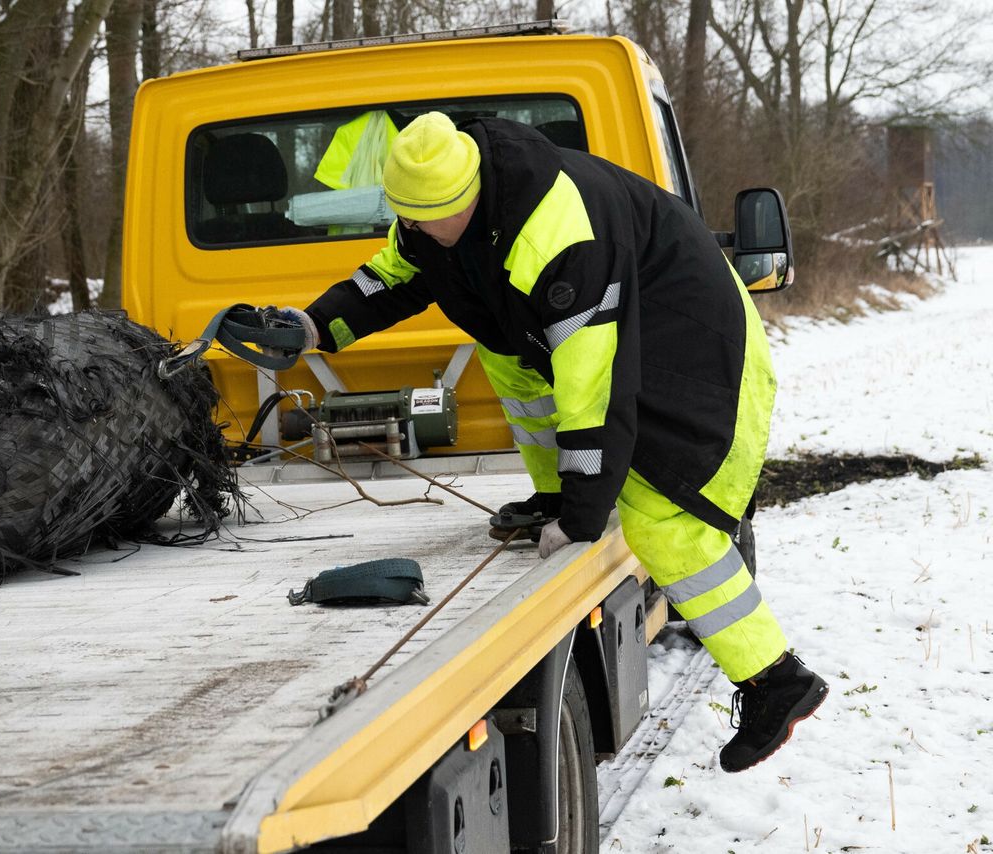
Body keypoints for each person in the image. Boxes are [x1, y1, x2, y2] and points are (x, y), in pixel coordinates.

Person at [275, 111, 827, 773]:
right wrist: (310, 327)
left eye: (422, 219)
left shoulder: (560, 234)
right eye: (406, 217)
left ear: (465, 198)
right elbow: (390, 276)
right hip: (634, 331)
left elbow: (593, 392)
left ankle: (775, 681)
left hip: (701, 349)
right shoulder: (441, 211)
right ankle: (551, 490)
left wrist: (582, 520)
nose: (412, 231)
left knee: (666, 524)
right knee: (505, 346)